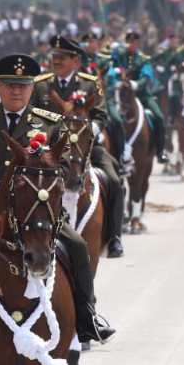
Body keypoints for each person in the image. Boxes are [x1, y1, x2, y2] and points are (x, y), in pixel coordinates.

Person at [0, 53, 115, 365]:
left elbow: (67, 166)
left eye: (23, 85)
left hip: (40, 212)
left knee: (78, 247)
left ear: (31, 89)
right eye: (10, 85)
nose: (17, 91)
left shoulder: (50, 123)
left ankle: (87, 319)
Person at [32, 35, 126, 259]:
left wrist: (88, 132)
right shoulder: (40, 85)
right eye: (54, 57)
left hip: (85, 149)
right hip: (50, 151)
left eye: (62, 58)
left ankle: (114, 236)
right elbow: (32, 116)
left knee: (113, 180)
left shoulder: (90, 83)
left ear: (75, 61)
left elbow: (101, 115)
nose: (56, 61)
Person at [110, 31, 168, 164]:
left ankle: (160, 150)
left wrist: (137, 84)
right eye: (129, 42)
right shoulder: (118, 56)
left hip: (141, 94)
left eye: (134, 42)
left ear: (138, 43)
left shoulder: (143, 58)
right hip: (120, 94)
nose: (131, 45)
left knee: (159, 117)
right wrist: (115, 80)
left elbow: (147, 75)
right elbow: (111, 70)